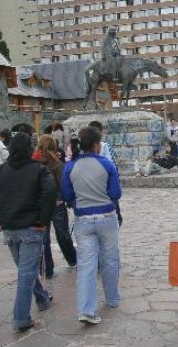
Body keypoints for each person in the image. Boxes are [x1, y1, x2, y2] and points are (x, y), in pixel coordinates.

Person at [0, 132, 56, 331]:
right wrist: (43, 220)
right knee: (26, 272)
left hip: (11, 229)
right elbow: (50, 193)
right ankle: (21, 318)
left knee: (25, 270)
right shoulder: (39, 171)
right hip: (32, 227)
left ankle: (42, 298)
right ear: (30, 148)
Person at [61, 127, 122, 325]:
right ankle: (112, 299)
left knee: (86, 265)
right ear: (97, 144)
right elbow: (115, 193)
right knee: (110, 260)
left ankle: (87, 309)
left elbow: (67, 196)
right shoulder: (107, 165)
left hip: (83, 220)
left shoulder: (70, 167)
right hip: (106, 217)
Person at [33, 135, 77, 278]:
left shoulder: (33, 162)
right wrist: (67, 200)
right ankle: (72, 260)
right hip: (56, 203)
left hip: (39, 204)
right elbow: (64, 184)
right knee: (63, 234)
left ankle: (47, 270)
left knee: (43, 238)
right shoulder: (57, 164)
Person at [87, 121, 122, 226]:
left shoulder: (81, 149)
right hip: (106, 192)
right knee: (115, 220)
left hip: (88, 195)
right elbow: (114, 169)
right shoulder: (105, 146)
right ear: (101, 133)